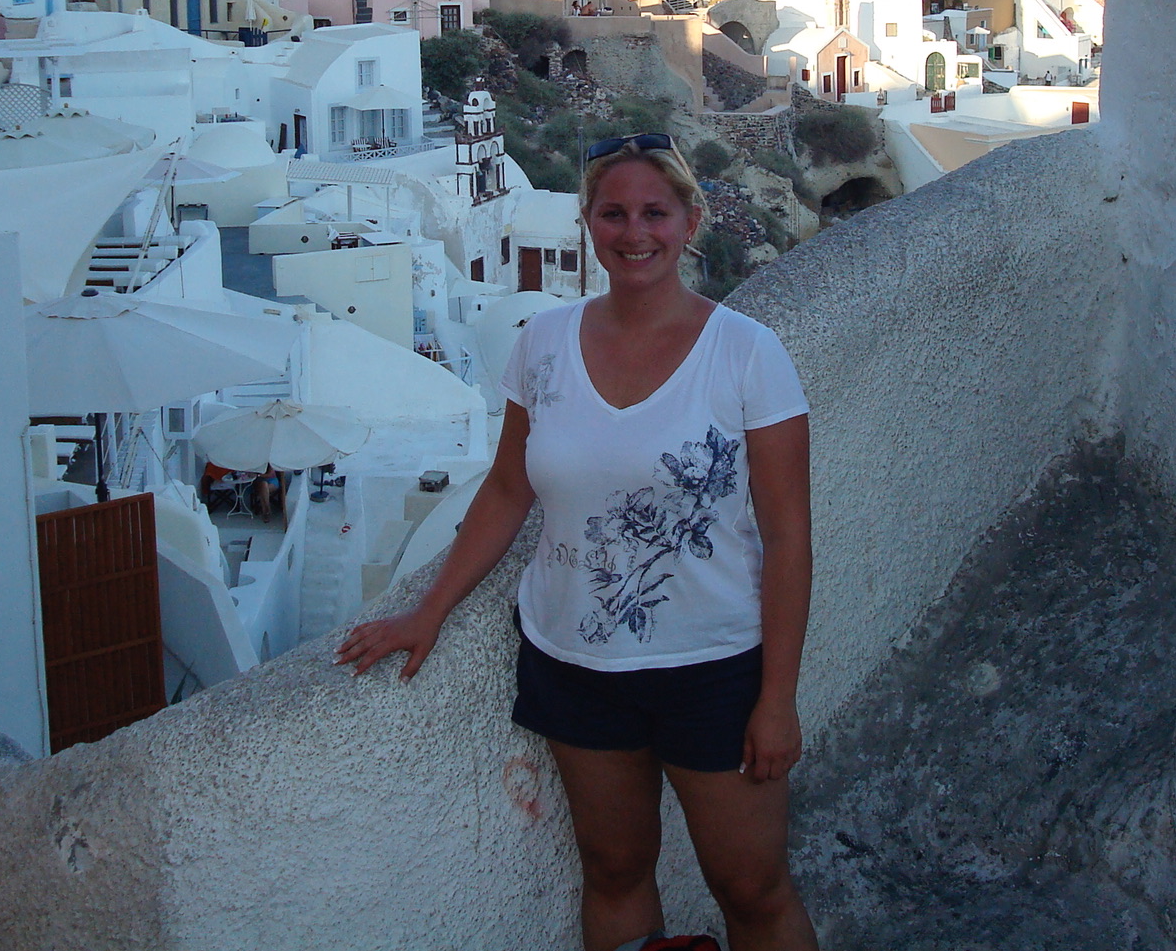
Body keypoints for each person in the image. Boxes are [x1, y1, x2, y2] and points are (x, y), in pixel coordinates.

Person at [337, 134, 817, 951]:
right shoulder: (544, 344)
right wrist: (430, 609)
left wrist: (776, 699)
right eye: (614, 212)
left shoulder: (745, 353)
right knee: (615, 868)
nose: (635, 232)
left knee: (750, 886)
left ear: (690, 219)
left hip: (714, 673)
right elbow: (505, 488)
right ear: (587, 223)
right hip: (574, 669)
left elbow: (787, 534)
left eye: (655, 212)